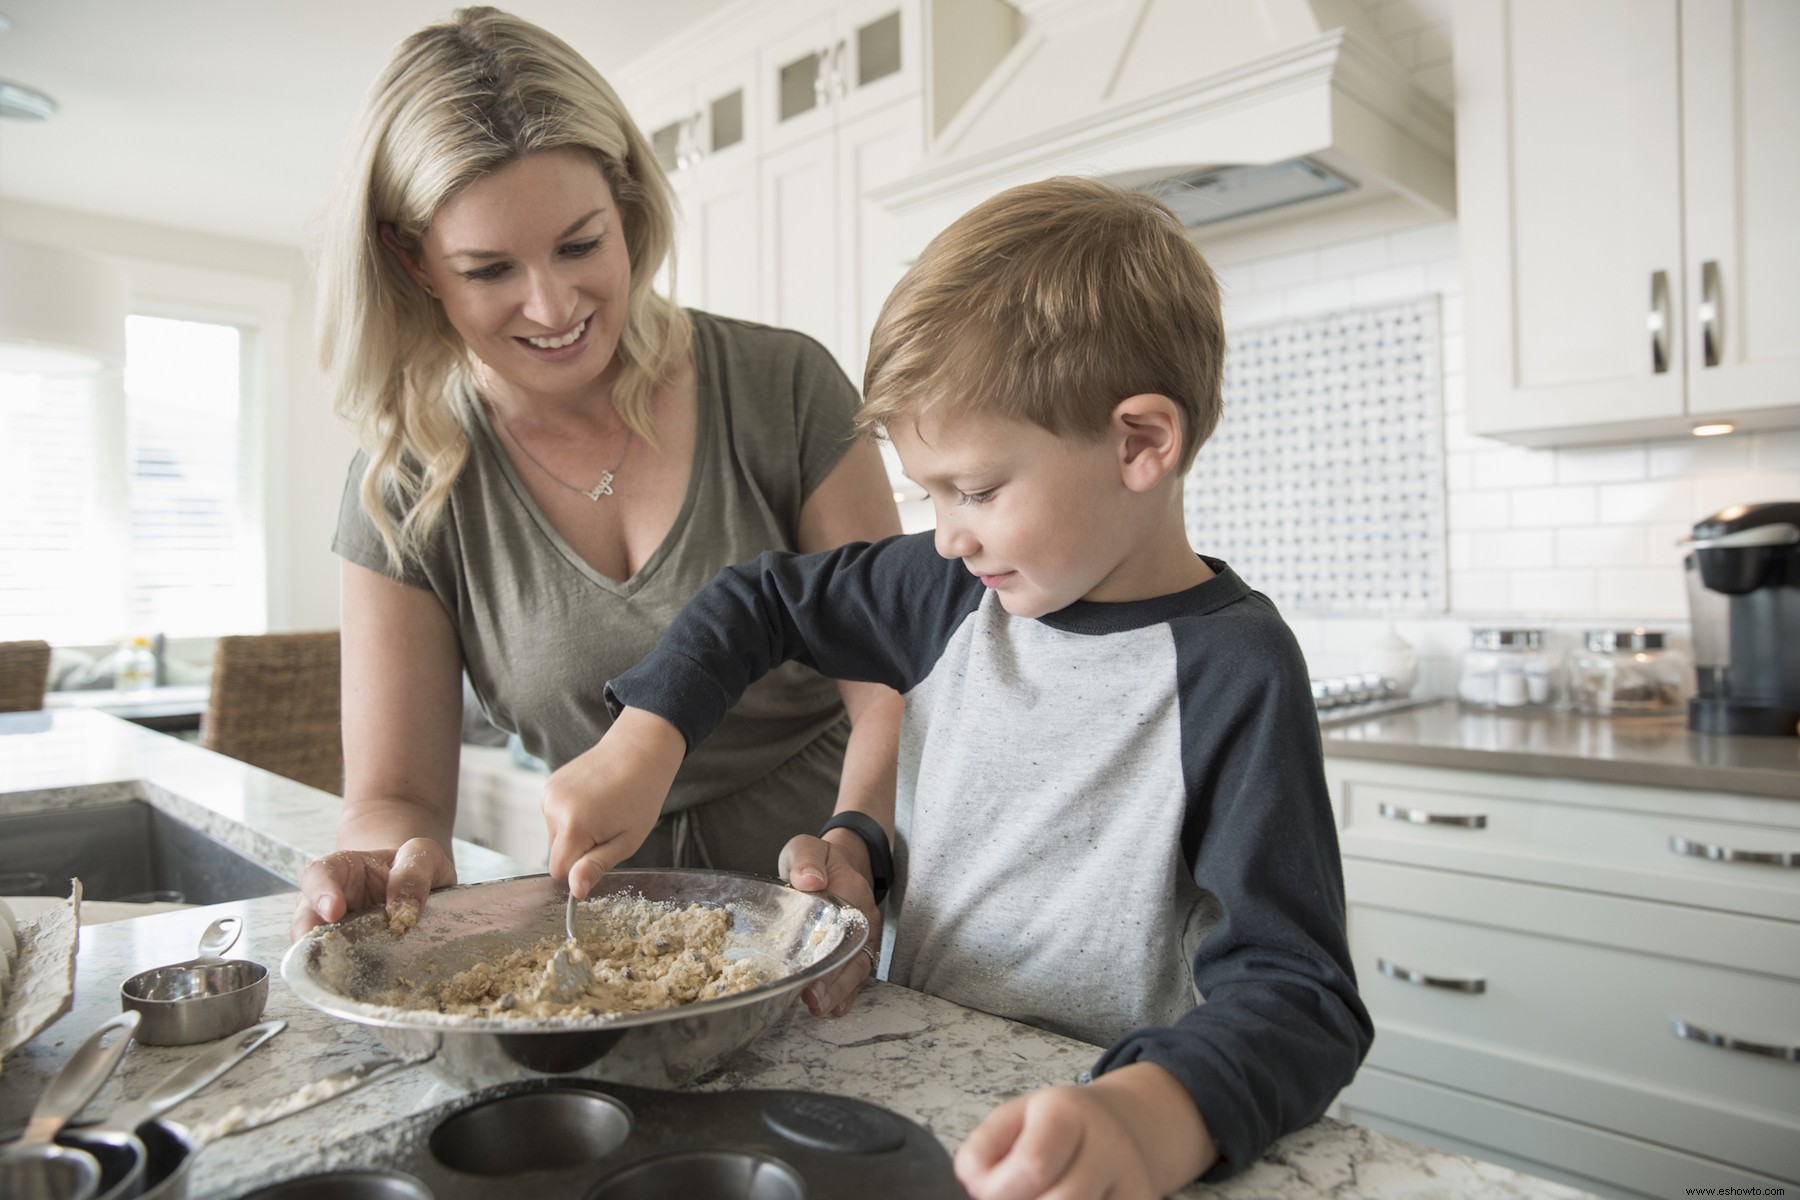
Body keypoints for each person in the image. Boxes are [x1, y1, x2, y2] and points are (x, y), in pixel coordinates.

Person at [540, 176, 1373, 1198]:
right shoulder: (949, 593)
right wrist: (647, 744)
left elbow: (1300, 995)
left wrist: (1156, 1117)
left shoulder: (1233, 671)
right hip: (921, 1083)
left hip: (1098, 1134)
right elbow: (759, 600)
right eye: (928, 493)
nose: (946, 532)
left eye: (975, 490)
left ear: (1141, 442)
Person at [294, 6, 902, 1019]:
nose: (551, 305)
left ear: (628, 207)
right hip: (614, 953)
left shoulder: (784, 386)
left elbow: (895, 679)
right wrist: (379, 863)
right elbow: (397, 796)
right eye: (490, 269)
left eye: (580, 245)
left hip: (847, 907)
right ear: (413, 263)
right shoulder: (406, 485)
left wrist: (860, 849)